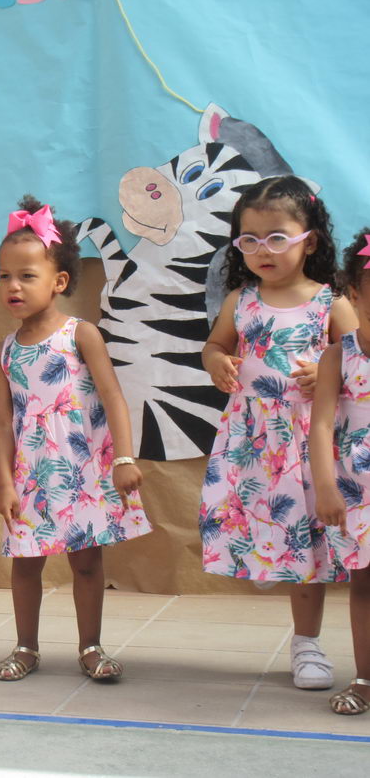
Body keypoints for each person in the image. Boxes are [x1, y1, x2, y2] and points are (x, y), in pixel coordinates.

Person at [200, 175, 357, 690]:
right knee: (281, 545)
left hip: (312, 444)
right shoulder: (241, 302)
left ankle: (308, 643)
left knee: (308, 545)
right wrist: (217, 361)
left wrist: (326, 373)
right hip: (254, 444)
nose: (262, 251)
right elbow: (214, 346)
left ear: (308, 240)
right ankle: (302, 640)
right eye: (249, 240)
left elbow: (357, 361)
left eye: (276, 238)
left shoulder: (329, 302)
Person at [0, 197, 149, 683]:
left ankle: (91, 646)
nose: (13, 286)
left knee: (86, 562)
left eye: (26, 276)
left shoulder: (82, 336)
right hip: (31, 477)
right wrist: (3, 484)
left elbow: (114, 397)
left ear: (59, 282)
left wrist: (123, 457)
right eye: (4, 276)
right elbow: (0, 424)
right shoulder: (1, 353)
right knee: (26, 566)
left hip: (84, 472)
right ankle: (25, 647)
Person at [309, 229, 370, 715]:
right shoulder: (339, 355)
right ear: (354, 293)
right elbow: (322, 424)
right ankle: (365, 678)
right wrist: (326, 485)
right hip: (356, 494)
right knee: (364, 587)